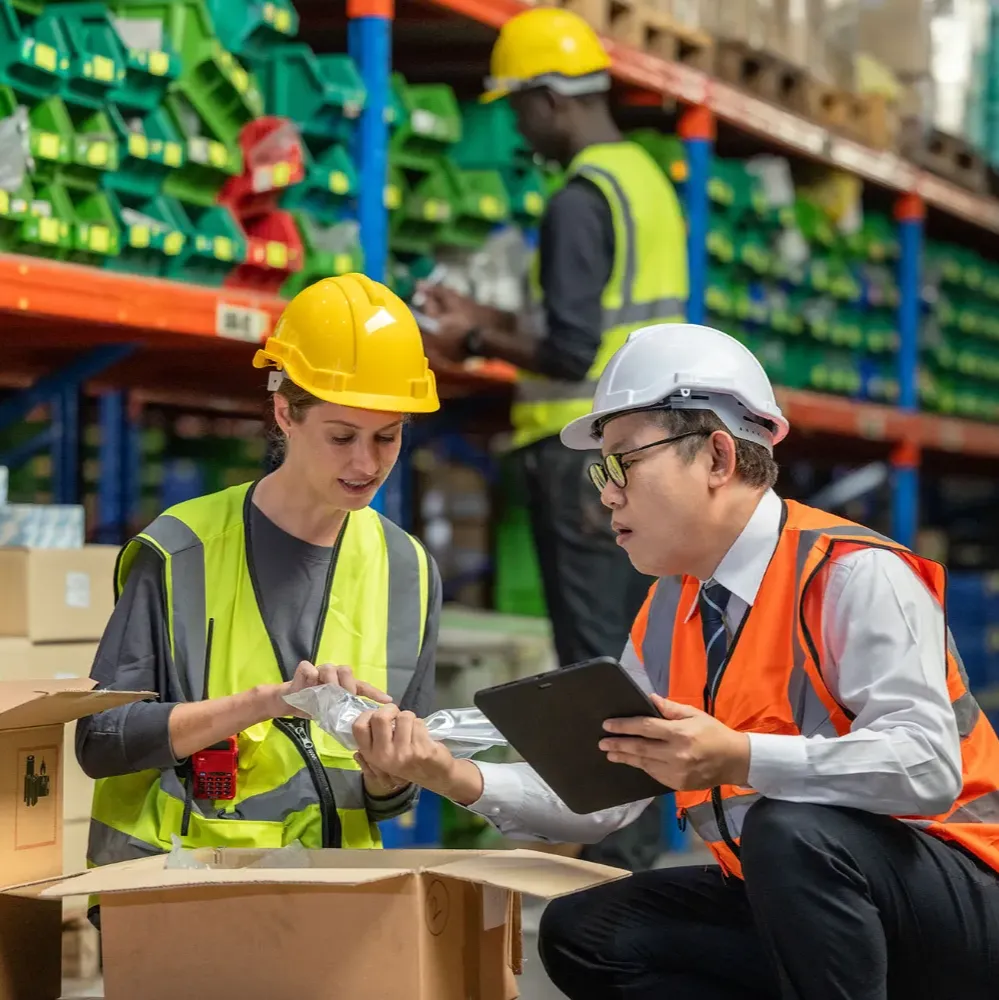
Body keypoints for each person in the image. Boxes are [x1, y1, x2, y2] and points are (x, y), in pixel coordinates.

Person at [349, 322, 999, 999]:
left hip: (961, 902)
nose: (606, 492)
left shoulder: (850, 574)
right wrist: (450, 773)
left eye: (623, 462)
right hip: (803, 904)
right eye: (603, 469)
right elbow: (600, 801)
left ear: (717, 457)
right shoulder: (670, 611)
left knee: (788, 828)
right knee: (586, 934)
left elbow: (925, 766)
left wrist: (739, 758)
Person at [420, 6, 688, 869]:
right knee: (631, 661)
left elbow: (573, 346)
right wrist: (494, 318)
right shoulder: (643, 180)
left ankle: (620, 867)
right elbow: (598, 323)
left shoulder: (578, 200)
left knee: (594, 675)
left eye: (517, 106)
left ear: (549, 99)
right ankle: (638, 851)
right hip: (643, 452)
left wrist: (469, 337)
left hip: (582, 457)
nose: (516, 125)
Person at [76, 275, 443, 902]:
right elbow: (102, 741)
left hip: (334, 906)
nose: (366, 463)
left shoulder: (406, 569)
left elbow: (390, 798)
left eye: (388, 436)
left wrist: (388, 775)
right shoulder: (179, 550)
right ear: (284, 413)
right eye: (341, 436)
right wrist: (264, 703)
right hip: (177, 899)